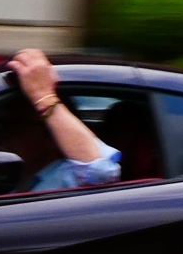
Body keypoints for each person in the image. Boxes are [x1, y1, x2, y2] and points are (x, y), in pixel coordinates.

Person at [9, 48, 119, 190]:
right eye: (3, 124)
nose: (6, 133)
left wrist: (43, 97)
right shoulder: (21, 178)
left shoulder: (65, 181)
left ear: (50, 137)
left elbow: (100, 171)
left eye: (16, 125)